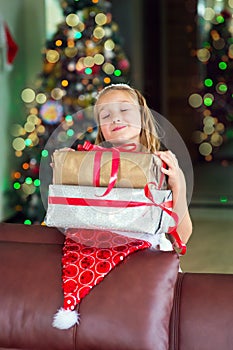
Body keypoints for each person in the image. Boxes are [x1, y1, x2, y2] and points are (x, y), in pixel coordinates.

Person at [93, 83, 193, 245]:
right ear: (101, 130)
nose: (116, 118)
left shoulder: (165, 166)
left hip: (150, 260)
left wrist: (177, 186)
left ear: (142, 116)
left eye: (124, 110)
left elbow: (181, 238)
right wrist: (67, 168)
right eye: (105, 116)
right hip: (104, 256)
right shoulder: (92, 168)